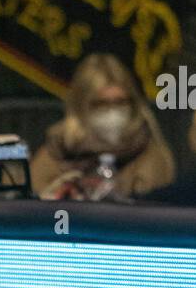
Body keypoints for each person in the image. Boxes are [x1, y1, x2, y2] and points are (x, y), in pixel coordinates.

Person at [30, 53, 175, 200]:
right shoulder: (59, 151)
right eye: (100, 103)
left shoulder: (148, 152)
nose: (112, 112)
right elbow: (34, 202)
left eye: (120, 102)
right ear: (80, 106)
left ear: (133, 103)